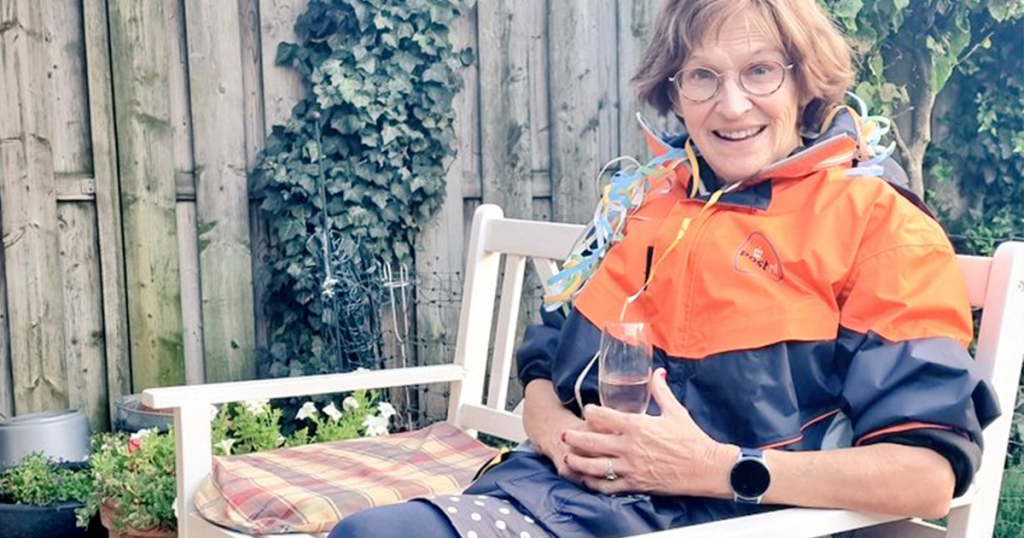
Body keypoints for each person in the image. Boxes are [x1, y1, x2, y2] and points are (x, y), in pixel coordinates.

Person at [329, 0, 999, 536]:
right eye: (703, 76)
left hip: (739, 522)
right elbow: (543, 371)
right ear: (674, 93)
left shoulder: (878, 222)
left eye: (760, 71)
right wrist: (558, 437)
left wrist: (716, 468)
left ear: (804, 81)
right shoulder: (641, 201)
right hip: (566, 502)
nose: (731, 105)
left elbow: (926, 476)